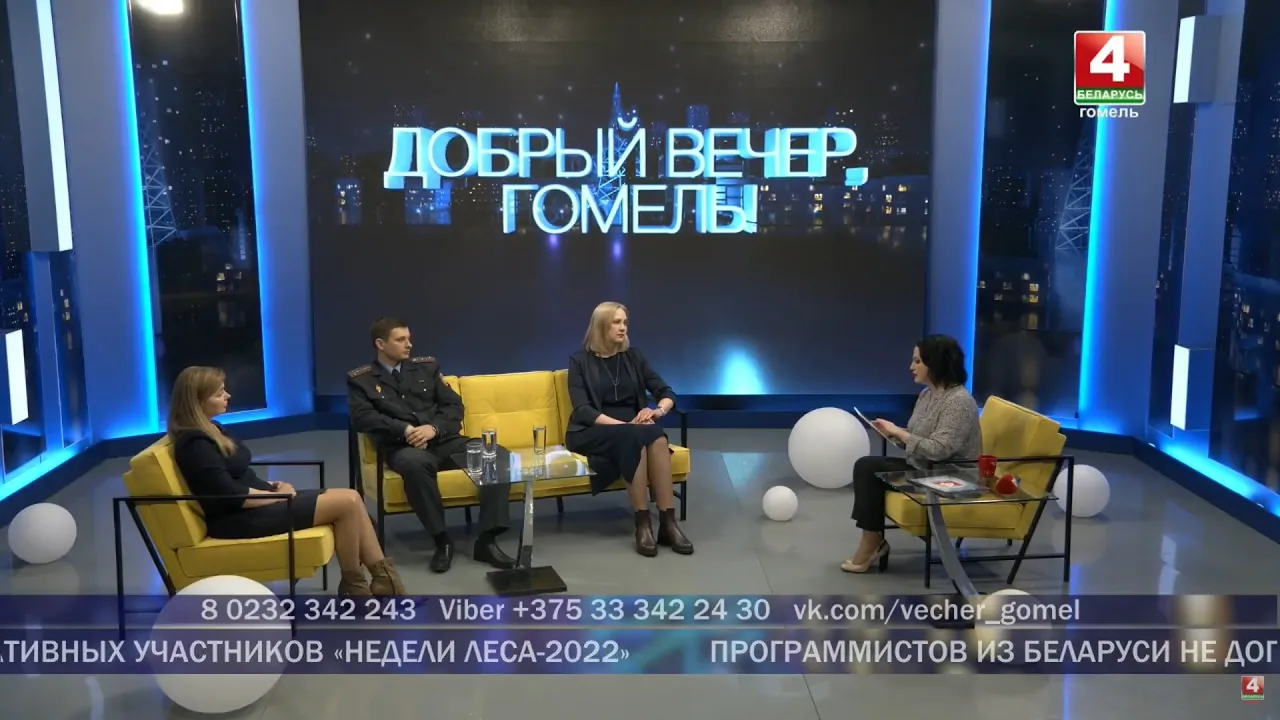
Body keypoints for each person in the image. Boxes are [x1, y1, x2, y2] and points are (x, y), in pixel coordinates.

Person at [168, 366, 405, 597]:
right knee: (347, 503)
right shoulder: (195, 444)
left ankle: (383, 582)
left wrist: (271, 486)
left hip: (256, 505)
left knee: (351, 498)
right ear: (197, 402)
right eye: (219, 393)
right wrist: (277, 497)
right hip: (238, 519)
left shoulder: (211, 428)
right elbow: (230, 495)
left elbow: (235, 476)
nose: (228, 395)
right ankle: (358, 589)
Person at [347, 317, 514, 574]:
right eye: (401, 340)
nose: (409, 344)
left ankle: (487, 540)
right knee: (414, 465)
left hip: (444, 440)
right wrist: (405, 430)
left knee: (496, 455)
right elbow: (363, 418)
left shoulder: (427, 368)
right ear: (380, 344)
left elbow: (454, 406)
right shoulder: (362, 380)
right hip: (404, 447)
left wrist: (433, 428)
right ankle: (442, 541)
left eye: (409, 338)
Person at [843, 335, 983, 574]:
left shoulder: (959, 401)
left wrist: (901, 433)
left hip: (951, 476)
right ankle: (873, 540)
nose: (911, 366)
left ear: (935, 363)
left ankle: (872, 542)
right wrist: (893, 434)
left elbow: (939, 449)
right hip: (926, 468)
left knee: (867, 467)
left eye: (917, 361)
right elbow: (919, 439)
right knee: (867, 467)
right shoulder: (927, 395)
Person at [565, 302, 693, 557]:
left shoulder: (634, 357)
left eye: (625, 322)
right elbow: (583, 410)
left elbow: (666, 392)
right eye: (616, 322)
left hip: (635, 429)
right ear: (601, 325)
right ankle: (643, 523)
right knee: (637, 436)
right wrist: (626, 426)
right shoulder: (579, 362)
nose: (623, 327)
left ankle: (668, 524)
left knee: (656, 437)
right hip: (592, 430)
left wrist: (657, 411)